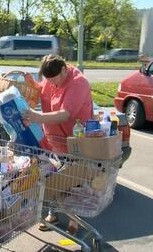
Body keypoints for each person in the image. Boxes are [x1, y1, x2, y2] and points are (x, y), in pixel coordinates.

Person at [22, 54, 93, 235]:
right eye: (49, 80)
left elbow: (66, 114)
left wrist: (37, 117)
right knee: (52, 179)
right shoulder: (50, 78)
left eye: (55, 80)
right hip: (54, 140)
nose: (52, 84)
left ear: (64, 69)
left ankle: (74, 219)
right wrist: (30, 86)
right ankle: (52, 214)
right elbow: (41, 93)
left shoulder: (79, 83)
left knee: (74, 181)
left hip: (75, 141)